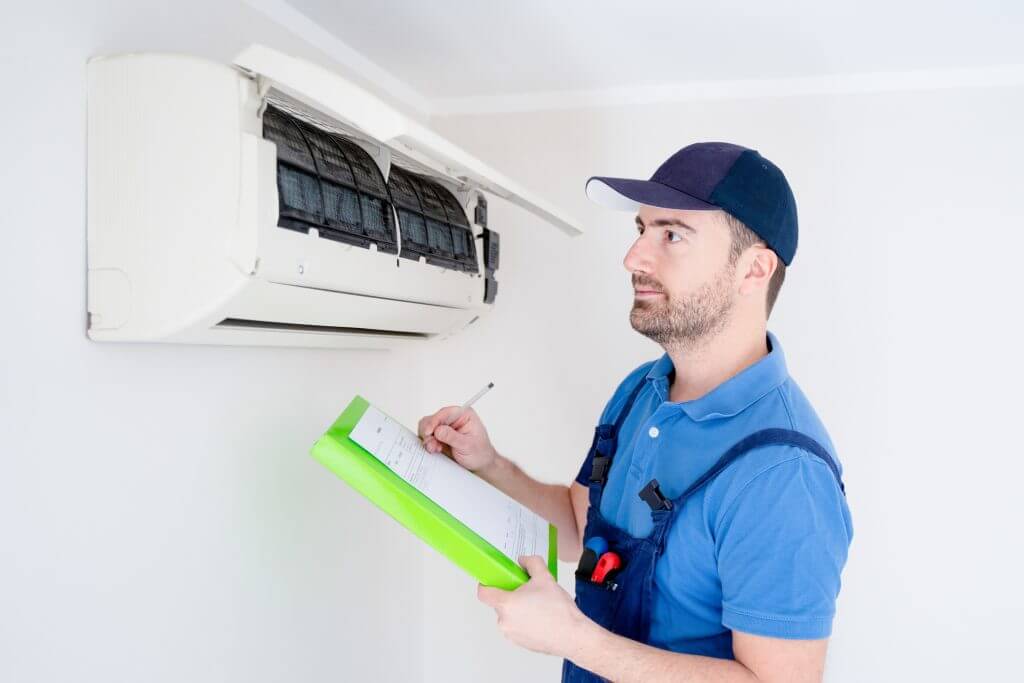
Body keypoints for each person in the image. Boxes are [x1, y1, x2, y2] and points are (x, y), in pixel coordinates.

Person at [418, 142, 853, 682]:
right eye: (640, 231)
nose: (634, 258)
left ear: (754, 270)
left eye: (671, 235)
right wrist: (489, 465)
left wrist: (573, 638)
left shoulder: (785, 473)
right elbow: (582, 525)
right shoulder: (641, 391)